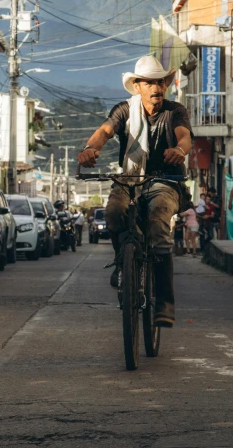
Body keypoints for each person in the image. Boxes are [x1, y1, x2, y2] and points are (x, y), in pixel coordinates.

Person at [78, 55, 193, 328]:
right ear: (137, 86)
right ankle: (123, 262)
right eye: (150, 83)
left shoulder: (175, 110)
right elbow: (105, 131)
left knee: (158, 223)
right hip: (129, 178)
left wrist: (179, 150)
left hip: (165, 181)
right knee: (114, 212)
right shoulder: (125, 110)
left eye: (161, 82)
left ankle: (164, 303)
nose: (157, 88)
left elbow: (184, 136)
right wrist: (89, 149)